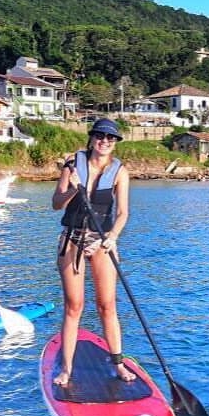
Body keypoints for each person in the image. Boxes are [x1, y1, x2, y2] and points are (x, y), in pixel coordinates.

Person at [51, 118, 135, 386]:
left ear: (115, 142)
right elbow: (55, 204)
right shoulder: (73, 164)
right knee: (74, 306)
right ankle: (66, 369)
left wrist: (112, 236)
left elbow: (122, 213)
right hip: (72, 239)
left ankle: (119, 364)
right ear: (92, 138)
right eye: (100, 136)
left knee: (107, 305)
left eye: (110, 138)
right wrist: (74, 190)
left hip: (102, 241)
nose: (104, 141)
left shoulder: (120, 172)